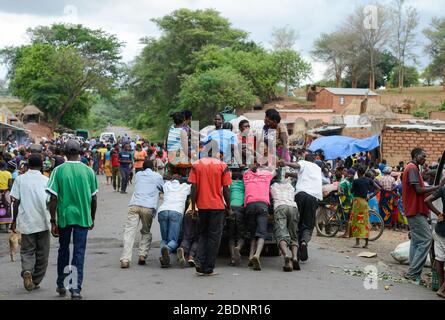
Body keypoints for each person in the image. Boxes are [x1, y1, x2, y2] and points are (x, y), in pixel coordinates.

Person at [47, 139, 98, 300]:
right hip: (83, 217)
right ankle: (75, 289)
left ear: (65, 153)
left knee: (63, 250)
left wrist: (53, 220)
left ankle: (62, 284)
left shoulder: (58, 170)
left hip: (64, 217)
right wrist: (92, 218)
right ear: (80, 152)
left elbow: (53, 198)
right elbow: (94, 198)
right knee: (78, 252)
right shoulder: (89, 171)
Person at [188, 141, 232, 276]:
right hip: (217, 207)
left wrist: (194, 207)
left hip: (202, 206)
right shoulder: (223, 166)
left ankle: (199, 261)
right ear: (217, 152)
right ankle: (208, 268)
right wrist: (229, 207)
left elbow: (193, 188)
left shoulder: (196, 165)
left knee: (203, 235)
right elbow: (226, 190)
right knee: (214, 238)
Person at [10, 154, 50, 292]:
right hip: (43, 221)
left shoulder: (20, 180)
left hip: (27, 221)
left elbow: (15, 202)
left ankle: (27, 270)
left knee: (27, 251)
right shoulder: (46, 180)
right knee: (42, 253)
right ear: (42, 165)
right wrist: (54, 220)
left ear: (27, 165)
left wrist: (14, 220)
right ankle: (36, 279)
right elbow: (52, 201)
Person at [402, 148, 443, 283]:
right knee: (426, 239)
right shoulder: (412, 168)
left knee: (416, 241)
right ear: (416, 155)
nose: (425, 159)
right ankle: (413, 273)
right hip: (415, 210)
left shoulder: (412, 168)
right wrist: (438, 187)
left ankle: (411, 272)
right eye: (423, 156)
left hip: (413, 209)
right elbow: (419, 190)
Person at [120, 159, 164, 269]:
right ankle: (142, 255)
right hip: (148, 207)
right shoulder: (157, 176)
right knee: (146, 231)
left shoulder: (139, 175)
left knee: (129, 231)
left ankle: (125, 259)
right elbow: (162, 188)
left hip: (134, 205)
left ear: (143, 167)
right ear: (153, 167)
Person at [282, 154, 322, 262]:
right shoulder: (317, 168)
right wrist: (289, 174)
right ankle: (304, 242)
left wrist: (286, 163)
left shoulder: (304, 163)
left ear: (305, 159)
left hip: (300, 195)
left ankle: (297, 250)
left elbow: (297, 166)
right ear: (314, 160)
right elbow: (301, 174)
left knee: (298, 222)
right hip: (313, 197)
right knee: (308, 224)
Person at [243, 164, 274, 271]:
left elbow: (247, 169)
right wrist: (266, 167)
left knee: (253, 233)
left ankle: (251, 256)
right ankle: (257, 255)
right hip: (262, 205)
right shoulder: (267, 175)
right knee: (261, 232)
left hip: (250, 205)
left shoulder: (246, 175)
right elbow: (275, 170)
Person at [157, 175, 191, 268]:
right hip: (176, 212)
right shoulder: (185, 187)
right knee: (173, 240)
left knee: (164, 239)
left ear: (172, 180)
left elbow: (161, 185)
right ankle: (167, 249)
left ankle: (163, 258)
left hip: (162, 211)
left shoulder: (167, 185)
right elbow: (193, 186)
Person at [270, 175, 300, 272]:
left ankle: (286, 255)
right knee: (294, 235)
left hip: (280, 207)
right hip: (293, 208)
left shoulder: (273, 186)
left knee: (281, 234)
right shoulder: (290, 187)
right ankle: (294, 257)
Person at [350, 166, 380, 249]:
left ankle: (357, 243)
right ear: (363, 173)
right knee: (365, 222)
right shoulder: (369, 180)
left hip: (357, 203)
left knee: (357, 222)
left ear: (358, 173)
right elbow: (378, 188)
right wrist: (370, 196)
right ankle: (366, 243)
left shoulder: (355, 181)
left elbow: (351, 191)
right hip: (364, 202)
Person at [425, 187, 445, 299]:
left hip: (439, 229)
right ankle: (442, 289)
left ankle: (441, 286)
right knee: (439, 258)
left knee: (439, 258)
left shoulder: (443, 189)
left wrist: (438, 214)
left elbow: (427, 200)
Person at [227, 170, 246, 266]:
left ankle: (232, 259)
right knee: (240, 235)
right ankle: (238, 248)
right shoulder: (243, 185)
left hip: (231, 209)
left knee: (231, 235)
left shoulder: (230, 183)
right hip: (241, 209)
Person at [0, 160, 13, 230]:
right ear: (5, 166)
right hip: (6, 193)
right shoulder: (9, 174)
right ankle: (7, 228)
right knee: (7, 209)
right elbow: (10, 185)